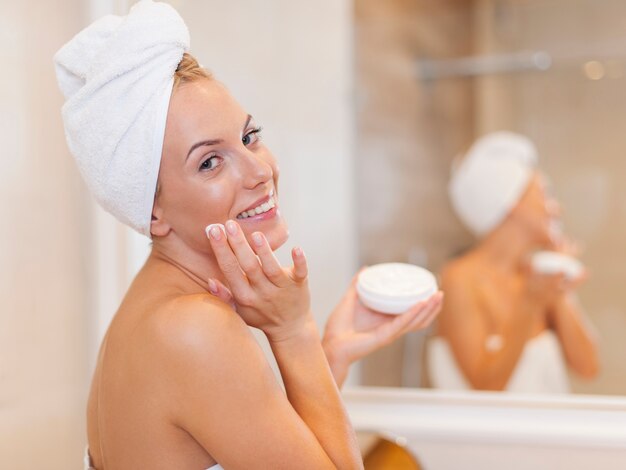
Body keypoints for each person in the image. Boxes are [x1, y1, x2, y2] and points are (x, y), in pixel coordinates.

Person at [54, 2, 443, 469]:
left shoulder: (158, 310)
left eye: (249, 136)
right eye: (210, 162)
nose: (260, 170)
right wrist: (294, 331)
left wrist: (329, 353)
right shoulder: (194, 329)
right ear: (154, 211)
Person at [427, 132, 599, 393]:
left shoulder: (538, 274)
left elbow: (589, 367)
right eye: (546, 194)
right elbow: (487, 386)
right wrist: (530, 303)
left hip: (547, 432)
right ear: (511, 202)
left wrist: (559, 289)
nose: (557, 208)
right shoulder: (459, 279)